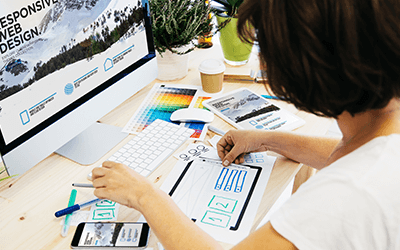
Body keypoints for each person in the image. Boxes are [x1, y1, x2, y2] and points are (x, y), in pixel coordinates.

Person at [91, 0, 400, 249]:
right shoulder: (385, 125)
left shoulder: (345, 196)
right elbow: (352, 153)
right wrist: (265, 140)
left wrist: (145, 195)